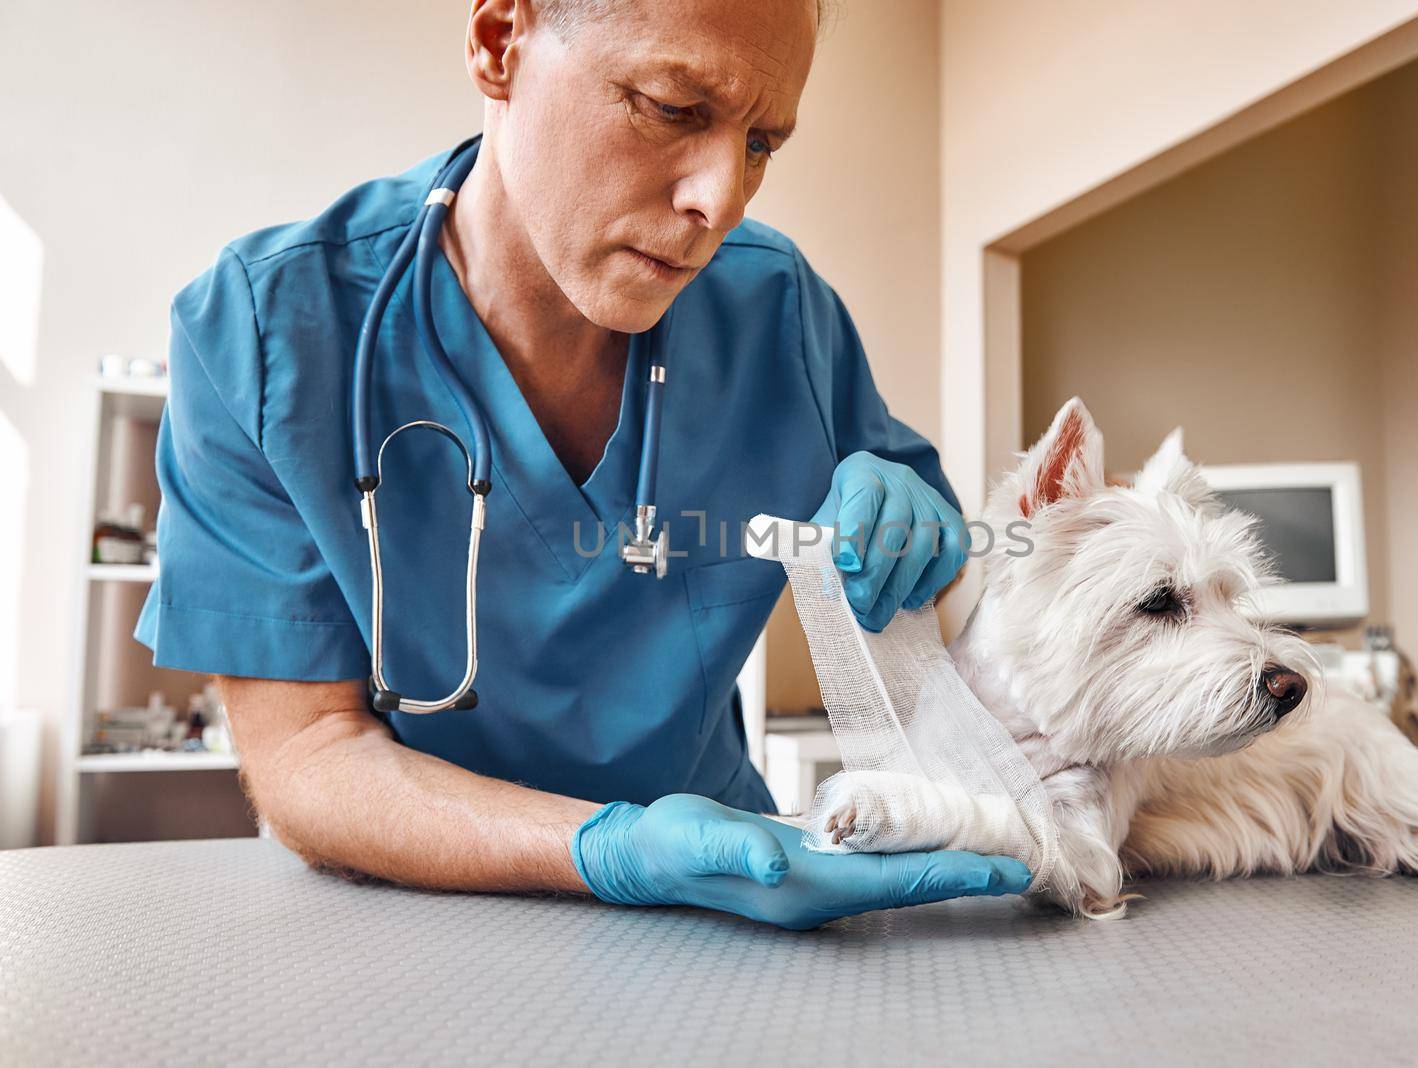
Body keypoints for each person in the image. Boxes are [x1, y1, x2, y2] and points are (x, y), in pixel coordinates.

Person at [134, 0, 1030, 930]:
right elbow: (309, 757)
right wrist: (611, 851)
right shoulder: (268, 331)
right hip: (415, 908)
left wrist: (914, 525)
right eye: (672, 107)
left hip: (731, 892)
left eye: (761, 143)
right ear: (497, 44)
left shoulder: (778, 308)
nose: (717, 201)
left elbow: (930, 531)